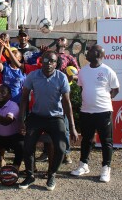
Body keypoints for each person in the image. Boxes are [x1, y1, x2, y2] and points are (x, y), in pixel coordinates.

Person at [19, 50, 78, 191]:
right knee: (27, 145)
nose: (48, 64)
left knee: (61, 148)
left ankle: (51, 174)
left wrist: (73, 127)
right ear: (41, 62)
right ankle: (30, 175)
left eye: (52, 61)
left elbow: (67, 103)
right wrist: (22, 120)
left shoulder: (61, 77)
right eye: (45, 61)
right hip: (37, 116)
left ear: (56, 63)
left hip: (55, 117)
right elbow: (24, 99)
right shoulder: (33, 76)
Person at [71, 45, 119, 183]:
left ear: (98, 54)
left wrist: (103, 100)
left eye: (90, 50)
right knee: (86, 139)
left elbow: (115, 89)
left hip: (103, 112)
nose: (87, 52)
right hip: (86, 111)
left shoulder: (107, 70)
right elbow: (82, 88)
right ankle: (83, 165)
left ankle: (105, 168)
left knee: (106, 141)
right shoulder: (83, 71)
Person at [0, 37, 26, 105]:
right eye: (11, 53)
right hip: (4, 102)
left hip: (17, 101)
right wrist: (1, 48)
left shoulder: (23, 70)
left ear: (20, 58)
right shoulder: (6, 68)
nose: (13, 55)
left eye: (15, 54)